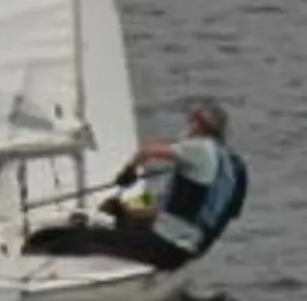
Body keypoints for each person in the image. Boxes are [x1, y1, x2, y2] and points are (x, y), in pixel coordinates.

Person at [26, 99, 248, 270]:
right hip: (187, 245)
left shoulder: (197, 149)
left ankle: (33, 256)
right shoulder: (222, 158)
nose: (188, 124)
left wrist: (128, 172)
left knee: (77, 238)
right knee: (118, 219)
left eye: (192, 120)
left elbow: (147, 151)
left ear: (199, 124)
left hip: (167, 245)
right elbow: (169, 202)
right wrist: (127, 207)